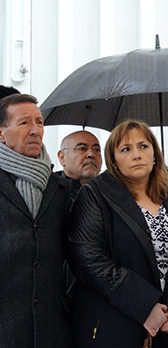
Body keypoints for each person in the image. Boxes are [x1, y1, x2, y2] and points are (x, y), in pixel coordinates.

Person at [66, 119, 168, 348]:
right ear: (113, 160)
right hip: (115, 329)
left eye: (143, 146)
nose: (137, 154)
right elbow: (86, 258)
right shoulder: (95, 195)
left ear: (155, 153)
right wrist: (144, 305)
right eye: (126, 149)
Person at [0, 94, 72, 347]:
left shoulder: (59, 187)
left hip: (52, 328)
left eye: (39, 122)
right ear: (1, 133)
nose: (34, 130)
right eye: (23, 123)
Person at [57, 130, 103, 204]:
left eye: (97, 150)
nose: (91, 154)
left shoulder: (110, 193)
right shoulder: (50, 193)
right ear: (62, 157)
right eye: (82, 149)